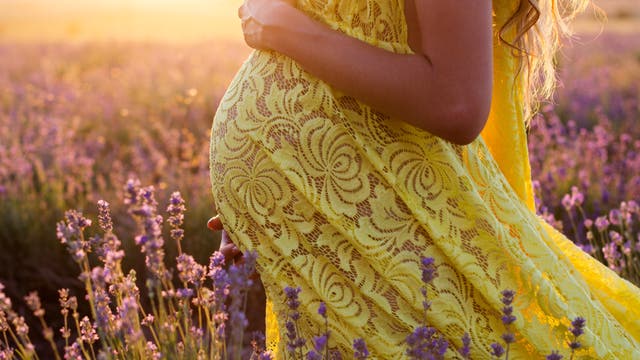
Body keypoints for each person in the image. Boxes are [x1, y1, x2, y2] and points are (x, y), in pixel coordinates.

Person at [209, 0, 640, 358]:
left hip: (371, 212)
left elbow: (455, 100)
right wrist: (263, 203)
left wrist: (282, 31)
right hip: (323, 219)